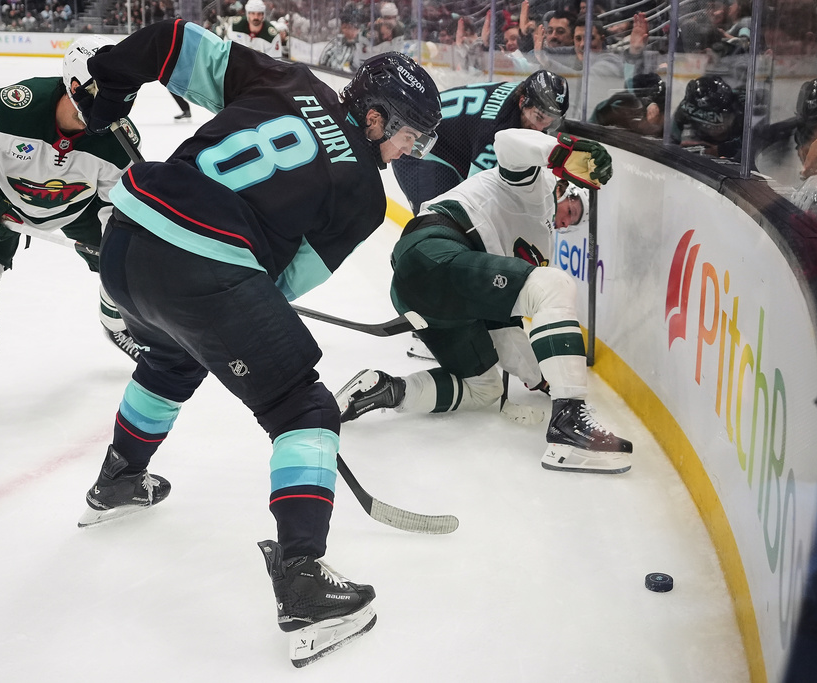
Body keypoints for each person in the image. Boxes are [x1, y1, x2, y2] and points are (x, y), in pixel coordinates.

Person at [68, 19, 441, 667]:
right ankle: (304, 582)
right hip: (202, 266)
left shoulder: (287, 79)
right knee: (305, 408)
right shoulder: (362, 196)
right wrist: (241, 309)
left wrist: (109, 81)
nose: (408, 150)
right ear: (376, 119)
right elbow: (282, 282)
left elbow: (175, 41)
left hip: (124, 239)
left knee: (171, 357)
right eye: (408, 134)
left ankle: (119, 479)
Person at [338, 127, 633, 475]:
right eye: (571, 207)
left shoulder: (541, 242)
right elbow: (507, 142)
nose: (565, 218)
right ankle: (569, 426)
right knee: (553, 285)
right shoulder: (531, 185)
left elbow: (503, 329)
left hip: (424, 289)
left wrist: (538, 376)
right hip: (434, 253)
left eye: (572, 221)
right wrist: (559, 154)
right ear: (563, 187)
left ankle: (388, 389)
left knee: (484, 388)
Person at [0, 36, 143, 422]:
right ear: (73, 86)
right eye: (105, 93)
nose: (114, 106)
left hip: (79, 208)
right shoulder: (12, 107)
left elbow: (121, 204)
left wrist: (118, 243)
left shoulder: (120, 142)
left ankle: (115, 323)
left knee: (125, 261)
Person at [392, 69, 569, 214]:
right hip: (418, 149)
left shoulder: (523, 97)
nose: (541, 128)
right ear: (523, 101)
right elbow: (476, 193)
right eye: (538, 117)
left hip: (447, 148)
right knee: (439, 221)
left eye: (551, 121)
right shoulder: (496, 128)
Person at [318, 5, 363, 72]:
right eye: (349, 27)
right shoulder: (334, 44)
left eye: (357, 28)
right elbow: (322, 63)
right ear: (343, 27)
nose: (355, 31)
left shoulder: (357, 46)